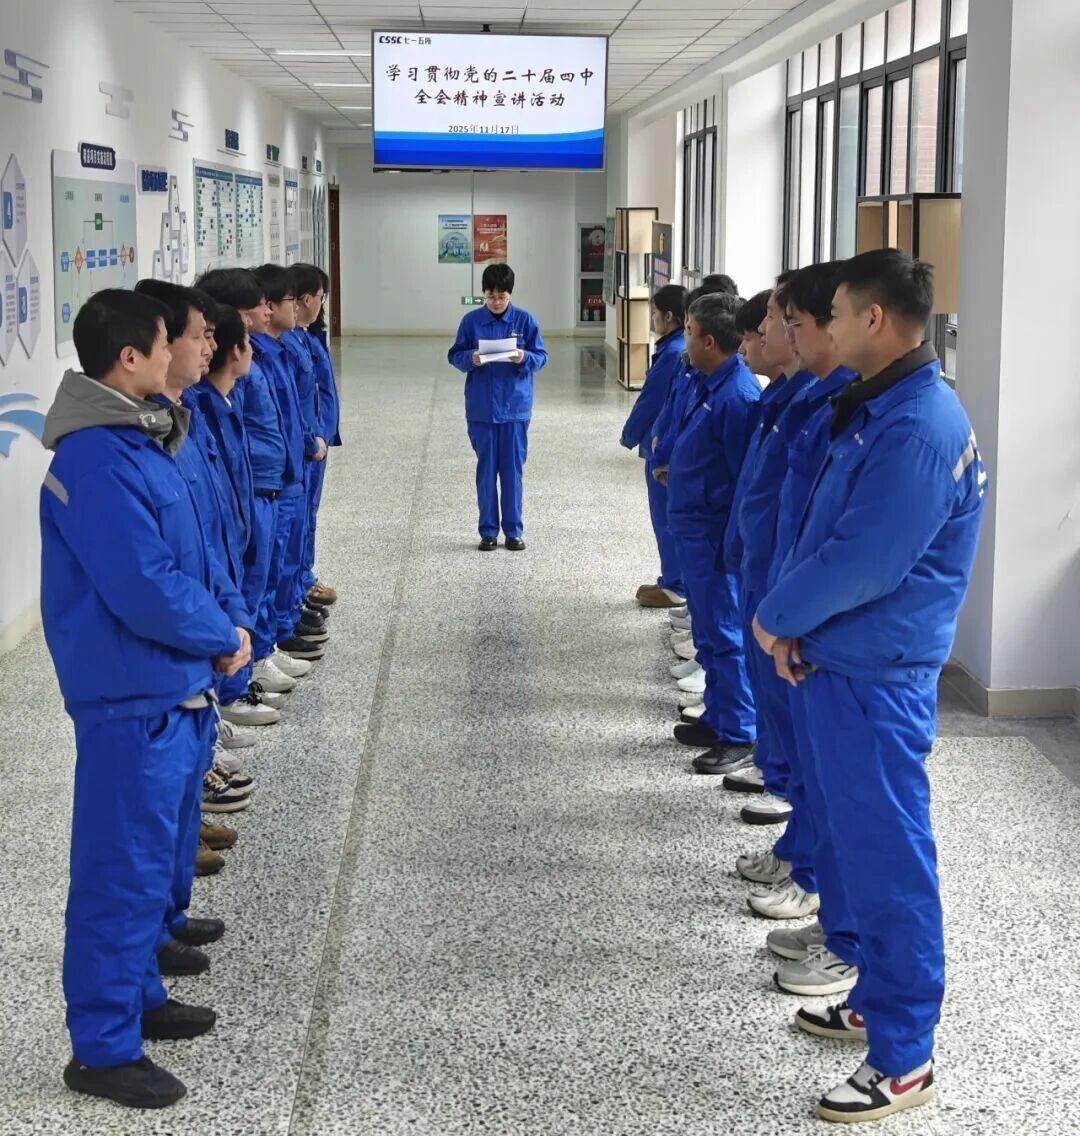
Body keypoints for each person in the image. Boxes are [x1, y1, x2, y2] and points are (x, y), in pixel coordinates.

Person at [753, 249, 986, 1125]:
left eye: (837, 314)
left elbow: (866, 559)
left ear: (876, 320)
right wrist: (796, 624)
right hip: (843, 662)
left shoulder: (918, 428)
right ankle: (873, 1002)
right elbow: (829, 531)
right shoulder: (880, 405)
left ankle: (905, 1058)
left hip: (877, 678)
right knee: (855, 849)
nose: (824, 327)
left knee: (888, 862)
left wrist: (777, 617)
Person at [40, 289, 251, 1109]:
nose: (178, 357)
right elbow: (144, 585)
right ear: (129, 358)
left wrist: (222, 628)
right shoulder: (95, 460)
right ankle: (101, 1049)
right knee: (119, 875)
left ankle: (140, 997)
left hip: (169, 683)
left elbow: (188, 554)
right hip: (130, 696)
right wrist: (219, 633)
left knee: (154, 861)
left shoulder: (140, 438)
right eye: (167, 344)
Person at [756, 262, 860, 998]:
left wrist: (786, 618)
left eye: (790, 322)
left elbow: (859, 553)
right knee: (819, 785)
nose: (781, 336)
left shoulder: (886, 418)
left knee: (862, 822)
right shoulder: (826, 402)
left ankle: (851, 948)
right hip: (803, 624)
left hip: (853, 654)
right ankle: (836, 925)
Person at [660, 292, 760, 756]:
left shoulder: (737, 397)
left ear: (709, 342)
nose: (683, 341)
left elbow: (744, 480)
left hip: (716, 537)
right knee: (707, 631)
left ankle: (738, 732)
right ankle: (718, 716)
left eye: (688, 333)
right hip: (695, 531)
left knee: (725, 634)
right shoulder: (709, 383)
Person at [252, 264, 330, 661]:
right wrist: (306, 442)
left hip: (293, 465)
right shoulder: (258, 358)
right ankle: (273, 635)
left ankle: (286, 615)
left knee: (291, 543)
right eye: (289, 300)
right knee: (269, 562)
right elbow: (281, 417)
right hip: (277, 473)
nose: (294, 307)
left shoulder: (285, 346)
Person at [447, 263, 548, 551]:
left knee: (512, 471)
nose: (496, 302)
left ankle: (513, 532)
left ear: (510, 294)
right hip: (481, 409)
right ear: (483, 294)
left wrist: (523, 357)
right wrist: (471, 358)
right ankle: (488, 532)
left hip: (515, 409)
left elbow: (542, 357)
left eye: (501, 297)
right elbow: (454, 354)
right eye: (490, 296)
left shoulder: (525, 321)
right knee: (486, 471)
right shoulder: (471, 322)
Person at [619, 283, 688, 608]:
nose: (652, 318)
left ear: (669, 316)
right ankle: (670, 578)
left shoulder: (673, 353)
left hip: (661, 446)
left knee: (665, 517)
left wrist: (629, 435)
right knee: (664, 516)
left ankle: (675, 585)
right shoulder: (674, 347)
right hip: (662, 442)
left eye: (655, 312)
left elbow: (651, 400)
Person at [290, 263, 341, 611]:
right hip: (307, 446)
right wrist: (313, 440)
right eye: (321, 296)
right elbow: (293, 404)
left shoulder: (308, 337)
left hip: (319, 441)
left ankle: (303, 577)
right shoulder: (289, 344)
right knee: (299, 519)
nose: (323, 303)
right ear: (306, 298)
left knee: (308, 515)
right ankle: (297, 587)